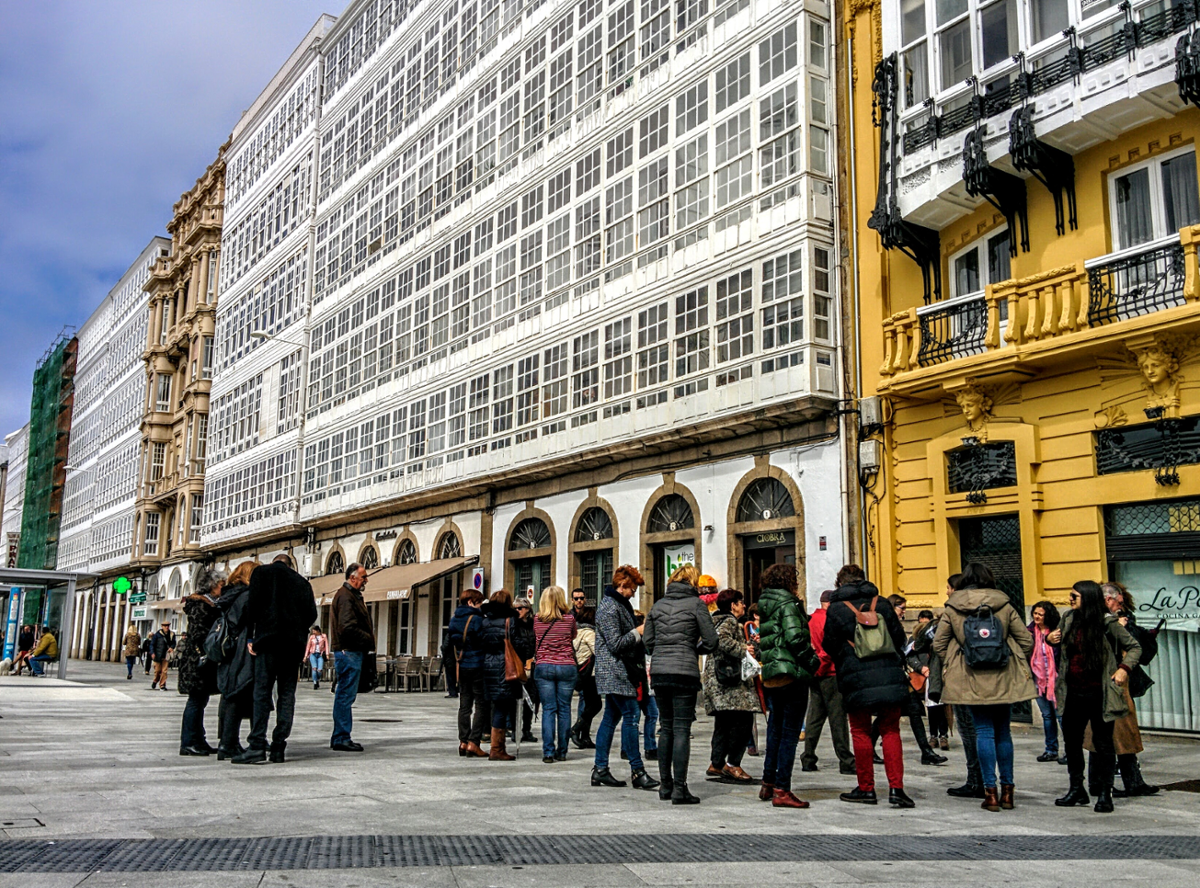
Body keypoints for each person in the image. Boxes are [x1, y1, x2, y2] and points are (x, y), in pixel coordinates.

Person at [933, 562, 1035, 812]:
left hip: (970, 676)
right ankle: (1008, 792)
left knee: (983, 731)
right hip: (1004, 675)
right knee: (1003, 732)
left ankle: (990, 794)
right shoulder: (1004, 604)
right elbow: (1026, 640)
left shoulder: (953, 608)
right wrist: (1011, 656)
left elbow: (938, 644)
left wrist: (957, 660)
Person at [824, 564, 914, 808]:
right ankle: (897, 789)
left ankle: (866, 788)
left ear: (840, 583)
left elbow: (828, 644)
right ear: (863, 580)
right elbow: (899, 638)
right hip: (889, 674)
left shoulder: (836, 609)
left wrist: (848, 653)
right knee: (891, 730)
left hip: (856, 676)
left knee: (860, 730)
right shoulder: (883, 603)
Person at [1051, 579, 1141, 813]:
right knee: (1071, 743)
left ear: (1088, 598)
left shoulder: (1107, 623)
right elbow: (1059, 644)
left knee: (1103, 744)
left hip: (1099, 692)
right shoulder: (1068, 619)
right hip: (1072, 692)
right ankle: (1076, 789)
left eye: (1074, 597)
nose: (1070, 600)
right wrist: (1049, 639)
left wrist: (1123, 669)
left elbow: (1134, 647)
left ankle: (1104, 793)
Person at [644, 564, 719, 804]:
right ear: (692, 583)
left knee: (665, 728)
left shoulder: (657, 605)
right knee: (681, 730)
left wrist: (664, 651)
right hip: (684, 671)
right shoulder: (697, 605)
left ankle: (665, 786)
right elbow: (711, 640)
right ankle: (679, 788)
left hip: (660, 673)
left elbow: (648, 641)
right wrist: (691, 649)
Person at [234, 553, 317, 764]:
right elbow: (311, 615)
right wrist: (297, 628)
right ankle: (279, 745)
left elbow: (252, 606)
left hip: (268, 642)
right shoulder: (302, 583)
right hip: (292, 646)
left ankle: (257, 745)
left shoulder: (262, 573)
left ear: (273, 562)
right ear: (291, 566)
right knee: (287, 694)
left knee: (262, 692)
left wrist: (252, 635)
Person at [756, 564, 818, 809]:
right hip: (791, 673)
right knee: (790, 735)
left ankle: (768, 781)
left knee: (775, 729)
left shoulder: (766, 602)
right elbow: (795, 637)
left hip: (773, 673)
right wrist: (813, 662)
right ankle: (782, 789)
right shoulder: (787, 603)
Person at [591, 566, 656, 790]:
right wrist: (637, 632)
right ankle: (637, 771)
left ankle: (600, 769)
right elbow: (615, 644)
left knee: (610, 717)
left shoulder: (619, 604)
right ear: (622, 585)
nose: (634, 594)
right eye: (633, 589)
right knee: (631, 715)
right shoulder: (609, 608)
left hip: (621, 670)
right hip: (615, 670)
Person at [1100, 582, 1159, 798]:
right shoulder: (1100, 620)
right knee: (1106, 737)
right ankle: (1101, 784)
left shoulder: (1121, 617)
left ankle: (1133, 782)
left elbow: (1136, 647)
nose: (1120, 605)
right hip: (1107, 683)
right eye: (1118, 601)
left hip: (1122, 681)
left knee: (1126, 734)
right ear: (1108, 599)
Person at [701, 589, 760, 786]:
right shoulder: (728, 621)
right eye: (741, 602)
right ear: (732, 605)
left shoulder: (715, 620)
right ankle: (733, 763)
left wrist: (750, 645)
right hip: (729, 681)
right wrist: (744, 649)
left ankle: (717, 763)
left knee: (723, 723)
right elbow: (722, 641)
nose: (744, 605)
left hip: (718, 680)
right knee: (743, 721)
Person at [800, 589, 857, 776]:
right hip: (830, 672)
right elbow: (828, 649)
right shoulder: (828, 620)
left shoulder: (811, 620)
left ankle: (808, 757)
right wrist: (823, 667)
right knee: (837, 719)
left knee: (814, 717)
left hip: (815, 673)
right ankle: (846, 760)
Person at [890, 593, 946, 767]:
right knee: (889, 714)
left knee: (914, 710)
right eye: (902, 608)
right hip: (892, 677)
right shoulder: (887, 626)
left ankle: (926, 751)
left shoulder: (895, 626)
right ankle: (869, 746)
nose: (904, 612)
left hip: (900, 676)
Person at [479, 588, 534, 761]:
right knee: (503, 707)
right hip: (506, 666)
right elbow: (518, 643)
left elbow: (481, 642)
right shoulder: (511, 621)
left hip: (488, 665)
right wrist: (525, 656)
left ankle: (497, 746)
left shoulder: (485, 621)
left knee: (496, 704)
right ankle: (497, 748)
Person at [329, 562, 375, 755]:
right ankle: (341, 737)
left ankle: (341, 735)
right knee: (345, 695)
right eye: (363, 577)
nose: (366, 580)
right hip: (349, 651)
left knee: (346, 694)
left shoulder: (350, 595)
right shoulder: (346, 597)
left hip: (350, 651)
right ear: (352, 577)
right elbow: (346, 627)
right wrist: (367, 638)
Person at [178, 568, 225, 756]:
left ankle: (198, 739)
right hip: (196, 660)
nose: (223, 588)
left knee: (200, 700)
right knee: (196, 701)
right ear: (213, 585)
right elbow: (198, 632)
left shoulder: (210, 603)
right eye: (221, 585)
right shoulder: (201, 605)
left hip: (199, 658)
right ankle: (188, 741)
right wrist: (206, 650)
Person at [215, 561, 258, 761]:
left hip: (228, 650)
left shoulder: (228, 594)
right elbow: (246, 622)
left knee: (231, 694)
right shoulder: (246, 596)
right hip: (241, 649)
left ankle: (227, 741)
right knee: (237, 693)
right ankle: (228, 744)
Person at [533, 585, 578, 762]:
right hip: (567, 665)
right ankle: (563, 751)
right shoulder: (569, 619)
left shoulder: (537, 619)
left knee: (549, 709)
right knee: (565, 709)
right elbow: (573, 636)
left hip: (544, 666)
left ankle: (548, 752)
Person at [449, 588, 489, 757]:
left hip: (462, 665)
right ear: (471, 602)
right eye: (479, 602)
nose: (480, 606)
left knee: (464, 705)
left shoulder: (454, 619)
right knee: (481, 704)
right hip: (478, 664)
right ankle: (474, 742)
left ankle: (463, 741)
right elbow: (483, 640)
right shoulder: (477, 619)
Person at [1028, 600, 1062, 763]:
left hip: (1056, 679)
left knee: (1060, 716)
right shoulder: (1029, 631)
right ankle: (1051, 750)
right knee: (1047, 716)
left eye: (1041, 614)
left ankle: (1070, 750)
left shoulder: (1057, 631)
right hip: (1038, 680)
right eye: (1035, 613)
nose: (1037, 617)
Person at [913, 610, 949, 749]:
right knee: (932, 707)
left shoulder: (940, 637)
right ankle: (933, 735)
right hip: (927, 675)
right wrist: (920, 668)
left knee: (942, 707)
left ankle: (943, 735)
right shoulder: (920, 637)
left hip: (939, 674)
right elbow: (911, 654)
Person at [570, 606, 601, 749]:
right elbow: (598, 652)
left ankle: (585, 736)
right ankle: (576, 728)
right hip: (591, 674)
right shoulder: (589, 633)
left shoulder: (576, 632)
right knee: (596, 705)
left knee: (589, 704)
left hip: (581, 673)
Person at [514, 597, 540, 744]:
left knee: (531, 698)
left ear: (527, 609)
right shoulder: (513, 624)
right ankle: (515, 729)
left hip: (532, 665)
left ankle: (526, 729)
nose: (517, 611)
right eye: (515, 608)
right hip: (518, 665)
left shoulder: (534, 624)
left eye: (520, 608)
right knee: (515, 700)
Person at [149, 622, 176, 689]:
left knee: (164, 671)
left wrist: (172, 647)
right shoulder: (157, 635)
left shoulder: (172, 634)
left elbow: (174, 643)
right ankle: (155, 680)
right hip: (157, 655)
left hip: (166, 655)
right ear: (162, 626)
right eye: (165, 626)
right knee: (157, 671)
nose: (167, 627)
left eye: (168, 626)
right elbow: (152, 644)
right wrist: (152, 653)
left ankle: (162, 685)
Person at [305, 626, 329, 690]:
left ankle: (317, 679)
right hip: (313, 654)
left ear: (318, 630)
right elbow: (308, 646)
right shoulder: (312, 637)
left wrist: (327, 654)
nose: (313, 632)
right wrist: (305, 656)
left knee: (319, 670)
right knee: (314, 668)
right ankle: (315, 683)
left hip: (320, 654)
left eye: (314, 631)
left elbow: (326, 645)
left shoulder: (324, 636)